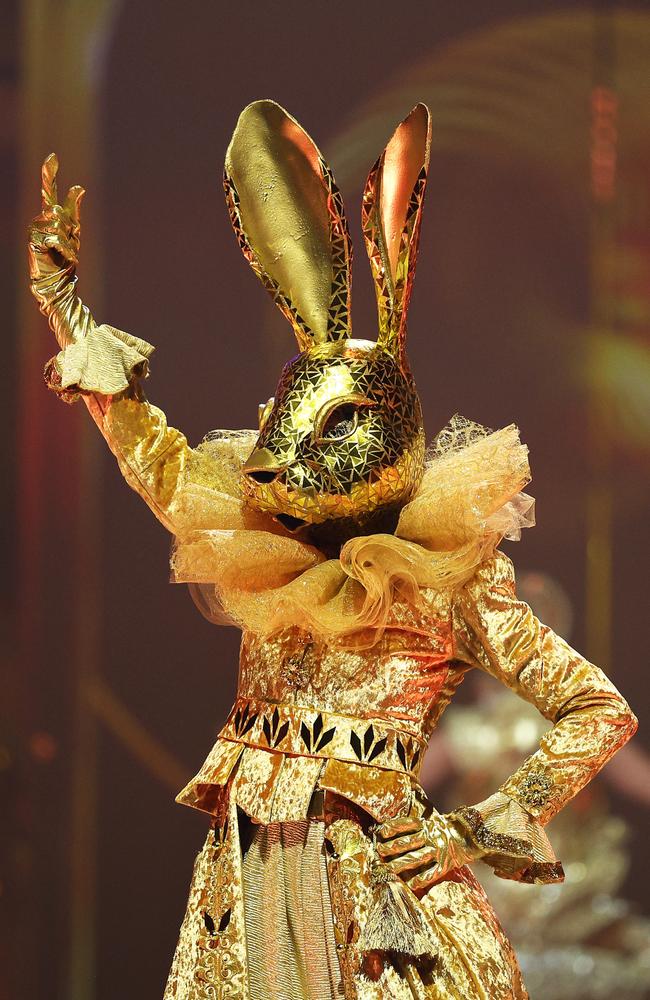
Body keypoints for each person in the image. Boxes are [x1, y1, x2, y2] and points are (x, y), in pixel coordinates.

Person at [28, 100, 637, 1000]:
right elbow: (154, 459)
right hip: (246, 880)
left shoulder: (446, 575)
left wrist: (476, 827)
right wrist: (62, 304)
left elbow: (598, 709)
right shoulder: (263, 546)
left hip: (377, 902)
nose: (280, 451)